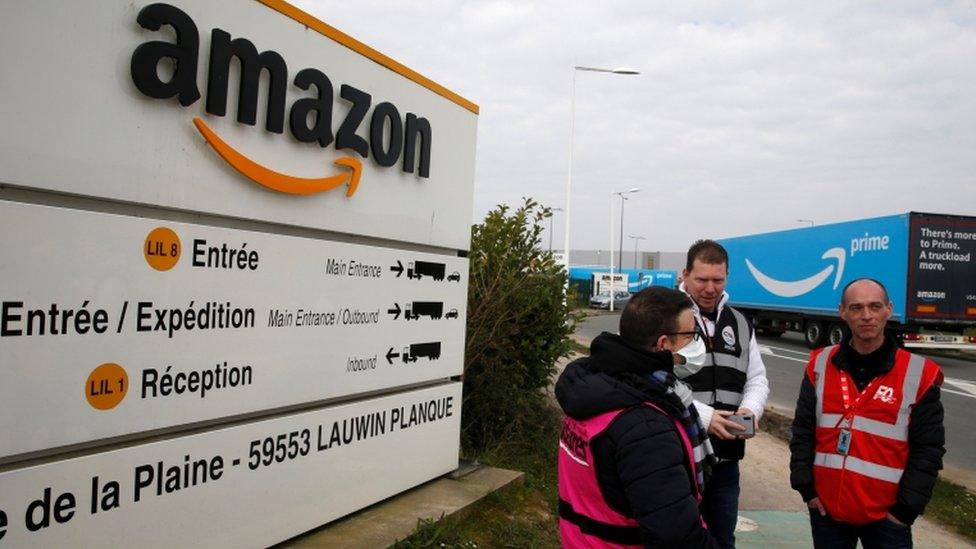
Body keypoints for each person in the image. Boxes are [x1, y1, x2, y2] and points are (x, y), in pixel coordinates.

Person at [555, 286, 717, 548]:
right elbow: (676, 536)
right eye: (691, 334)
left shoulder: (594, 386)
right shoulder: (645, 427)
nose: (698, 342)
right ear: (663, 344)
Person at [789, 278, 945, 548]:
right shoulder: (820, 365)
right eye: (856, 307)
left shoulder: (919, 374)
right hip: (827, 512)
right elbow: (803, 430)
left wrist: (904, 512)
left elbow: (929, 450)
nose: (866, 316)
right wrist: (807, 489)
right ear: (842, 312)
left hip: (888, 520)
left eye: (875, 306)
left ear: (889, 309)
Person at [677, 239, 769, 548]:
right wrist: (706, 417)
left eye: (718, 280)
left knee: (722, 541)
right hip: (679, 460)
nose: (710, 288)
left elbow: (757, 379)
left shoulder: (740, 323)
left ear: (727, 276)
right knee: (677, 539)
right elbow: (654, 379)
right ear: (685, 274)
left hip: (726, 464)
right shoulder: (666, 315)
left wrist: (749, 411)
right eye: (702, 279)